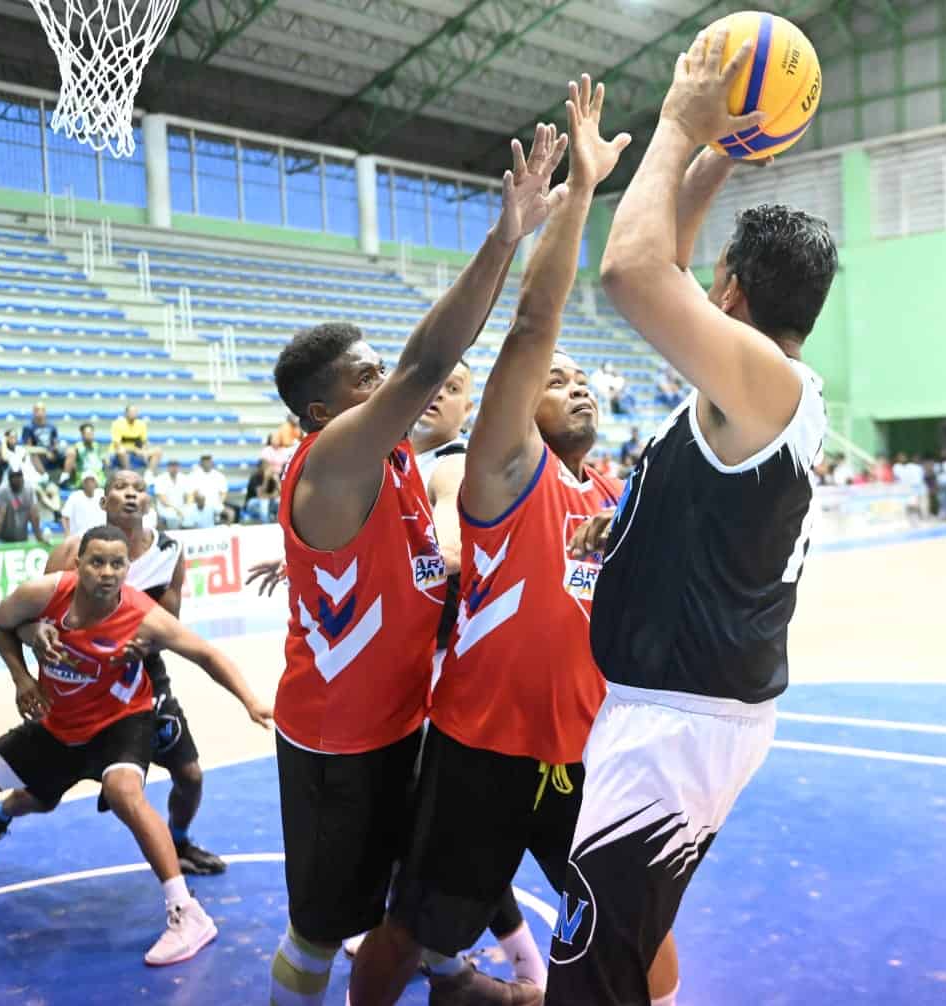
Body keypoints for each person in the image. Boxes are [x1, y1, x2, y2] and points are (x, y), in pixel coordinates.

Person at [355, 77, 681, 1006]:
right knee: (413, 936)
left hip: (590, 755)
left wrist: (688, 163)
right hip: (481, 752)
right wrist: (580, 191)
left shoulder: (612, 492)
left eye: (587, 381)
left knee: (644, 944)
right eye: (559, 379)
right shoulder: (507, 471)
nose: (576, 386)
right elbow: (535, 324)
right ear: (517, 408)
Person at [548, 38, 837, 1006]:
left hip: (678, 725)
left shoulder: (766, 387)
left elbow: (635, 270)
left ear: (731, 292)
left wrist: (680, 120)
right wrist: (723, 153)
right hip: (682, 712)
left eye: (711, 280)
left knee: (593, 974)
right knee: (627, 944)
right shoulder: (748, 391)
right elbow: (669, 262)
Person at [265, 126, 566, 1006]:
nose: (393, 386)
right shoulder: (333, 458)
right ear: (323, 411)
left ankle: (457, 978)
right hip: (337, 743)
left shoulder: (402, 462)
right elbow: (431, 361)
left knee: (407, 890)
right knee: (319, 928)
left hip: (405, 724)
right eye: (367, 379)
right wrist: (507, 236)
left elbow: (455, 401)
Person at [0, 524, 273, 965]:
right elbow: (0, 623)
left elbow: (207, 654)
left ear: (128, 568)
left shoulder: (142, 614)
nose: (107, 572)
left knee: (124, 792)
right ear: (79, 564)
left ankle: (187, 912)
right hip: (57, 726)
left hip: (121, 722)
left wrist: (250, 700)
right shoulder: (44, 594)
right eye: (97, 562)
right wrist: (22, 678)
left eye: (117, 564)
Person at [0, 469, 234, 879]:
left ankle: (179, 840)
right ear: (104, 501)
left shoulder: (168, 551)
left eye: (138, 489)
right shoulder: (72, 552)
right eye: (120, 488)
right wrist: (31, 649)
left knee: (190, 775)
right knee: (45, 796)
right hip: (77, 675)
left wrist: (145, 646)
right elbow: (29, 621)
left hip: (139, 676)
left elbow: (170, 626)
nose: (130, 495)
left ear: (148, 500)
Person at [0, 467, 50, 548]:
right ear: (9, 479)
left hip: (22, 537)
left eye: (19, 476)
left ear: (22, 477)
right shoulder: (3, 491)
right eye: (13, 477)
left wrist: (39, 536)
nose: (16, 479)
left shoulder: (29, 489)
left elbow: (34, 515)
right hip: (4, 539)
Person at [111, 405, 162, 475]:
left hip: (138, 451)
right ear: (126, 413)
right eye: (131, 412)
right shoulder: (117, 424)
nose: (133, 413)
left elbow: (144, 442)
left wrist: (144, 451)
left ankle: (149, 475)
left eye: (135, 412)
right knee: (121, 451)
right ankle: (128, 474)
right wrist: (135, 450)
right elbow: (117, 445)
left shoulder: (141, 424)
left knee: (158, 451)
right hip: (123, 452)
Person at [21, 403, 66, 478]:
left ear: (45, 412)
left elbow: (55, 443)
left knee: (68, 451)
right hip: (37, 455)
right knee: (33, 454)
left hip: (50, 454)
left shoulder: (51, 426)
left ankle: (66, 477)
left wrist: (54, 451)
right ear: (33, 412)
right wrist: (45, 451)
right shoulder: (28, 427)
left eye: (42, 410)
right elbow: (28, 448)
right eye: (37, 410)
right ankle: (44, 476)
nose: (40, 412)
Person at [189, 454, 232, 523]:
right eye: (204, 462)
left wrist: (220, 503)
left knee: (230, 513)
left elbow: (223, 493)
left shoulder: (219, 476)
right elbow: (193, 493)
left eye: (208, 461)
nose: (207, 464)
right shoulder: (194, 476)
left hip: (216, 503)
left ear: (212, 463)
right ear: (201, 463)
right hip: (200, 504)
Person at [60, 472, 105, 536]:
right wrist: (67, 534)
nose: (90, 484)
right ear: (83, 484)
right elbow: (64, 517)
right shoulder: (75, 496)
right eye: (87, 481)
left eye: (92, 481)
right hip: (79, 537)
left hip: (100, 535)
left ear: (96, 483)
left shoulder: (101, 494)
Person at [62, 422, 106, 489]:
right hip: (84, 475)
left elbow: (105, 462)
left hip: (98, 476)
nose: (90, 436)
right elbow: (70, 455)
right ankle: (64, 479)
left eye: (91, 433)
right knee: (89, 479)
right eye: (87, 434)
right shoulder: (77, 447)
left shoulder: (98, 446)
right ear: (82, 435)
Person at [154, 458, 193, 529]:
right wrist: (177, 509)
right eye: (172, 466)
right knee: (173, 516)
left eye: (176, 466)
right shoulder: (160, 479)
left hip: (181, 507)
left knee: (192, 511)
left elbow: (189, 496)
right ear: (168, 467)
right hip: (166, 508)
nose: (174, 468)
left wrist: (187, 506)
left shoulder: (184, 478)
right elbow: (163, 501)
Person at [244, 459, 281, 524]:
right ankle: (266, 524)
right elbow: (260, 495)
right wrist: (265, 479)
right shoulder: (255, 477)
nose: (268, 469)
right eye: (266, 467)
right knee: (264, 502)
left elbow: (280, 493)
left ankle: (279, 522)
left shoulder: (273, 477)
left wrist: (277, 481)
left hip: (269, 501)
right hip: (252, 503)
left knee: (279, 500)